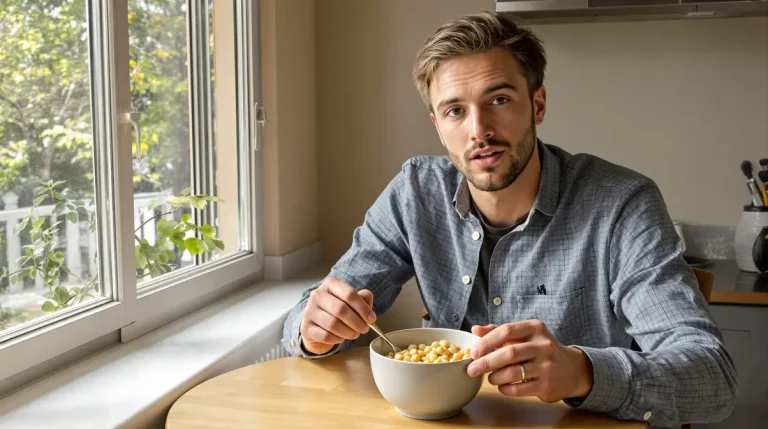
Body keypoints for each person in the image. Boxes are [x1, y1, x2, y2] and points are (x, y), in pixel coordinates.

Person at [281, 11, 737, 427]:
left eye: (498, 99)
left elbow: (712, 379)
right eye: (455, 110)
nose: (478, 130)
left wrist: (582, 370)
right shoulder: (415, 193)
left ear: (537, 105)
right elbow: (309, 320)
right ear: (438, 125)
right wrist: (314, 327)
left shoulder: (621, 204)